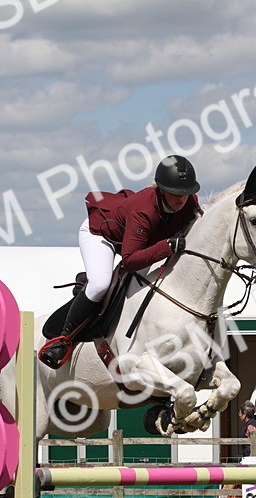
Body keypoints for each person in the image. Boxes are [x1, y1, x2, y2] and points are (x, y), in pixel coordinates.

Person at [38, 155, 203, 369]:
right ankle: (64, 338)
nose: (182, 198)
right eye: (175, 193)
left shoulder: (189, 201)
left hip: (139, 238)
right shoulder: (144, 211)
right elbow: (130, 260)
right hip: (103, 235)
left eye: (186, 192)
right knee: (100, 283)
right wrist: (167, 247)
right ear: (161, 189)